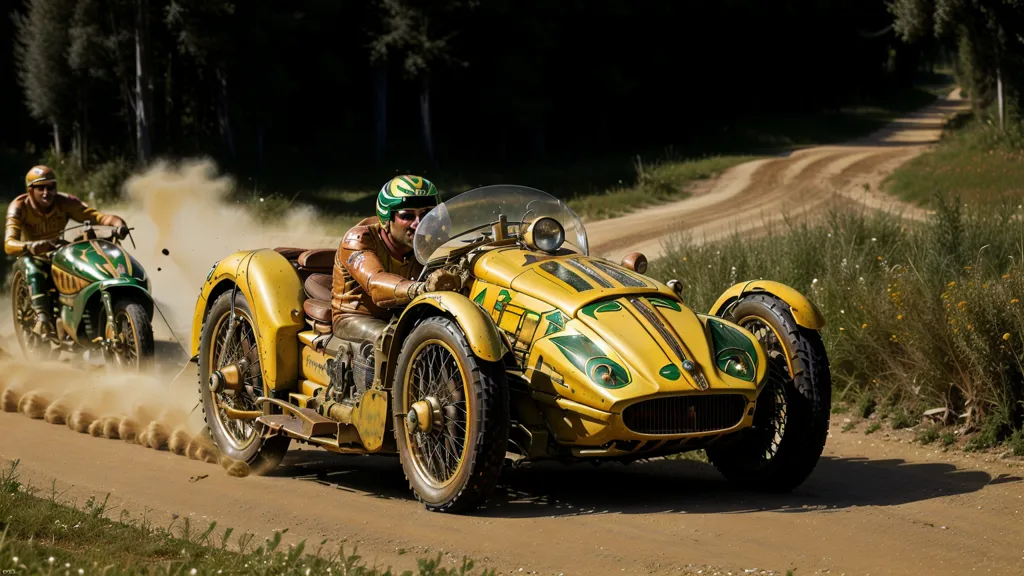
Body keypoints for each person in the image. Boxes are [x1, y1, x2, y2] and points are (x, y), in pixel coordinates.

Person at [330, 175, 460, 345]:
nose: (418, 223)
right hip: (356, 317)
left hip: (406, 314)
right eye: (407, 216)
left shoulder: (430, 241)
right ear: (386, 218)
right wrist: (419, 288)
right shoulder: (358, 240)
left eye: (426, 214)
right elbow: (375, 282)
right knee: (391, 340)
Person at [5, 165, 129, 339]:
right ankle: (42, 319)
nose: (46, 192)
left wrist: (118, 224)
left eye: (51, 187)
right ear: (30, 190)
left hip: (59, 252)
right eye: (40, 188)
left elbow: (97, 217)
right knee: (30, 266)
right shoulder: (18, 207)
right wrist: (30, 247)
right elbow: (8, 244)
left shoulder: (66, 202)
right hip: (34, 256)